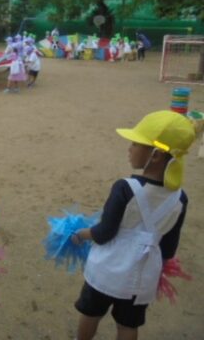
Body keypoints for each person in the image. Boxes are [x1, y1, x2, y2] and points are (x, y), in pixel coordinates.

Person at [71, 110, 196, 340]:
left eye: (135, 144)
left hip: (108, 269)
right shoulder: (180, 198)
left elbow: (104, 232)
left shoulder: (125, 188)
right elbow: (169, 247)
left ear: (156, 155)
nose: (129, 148)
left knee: (91, 312)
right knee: (128, 324)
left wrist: (80, 234)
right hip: (142, 277)